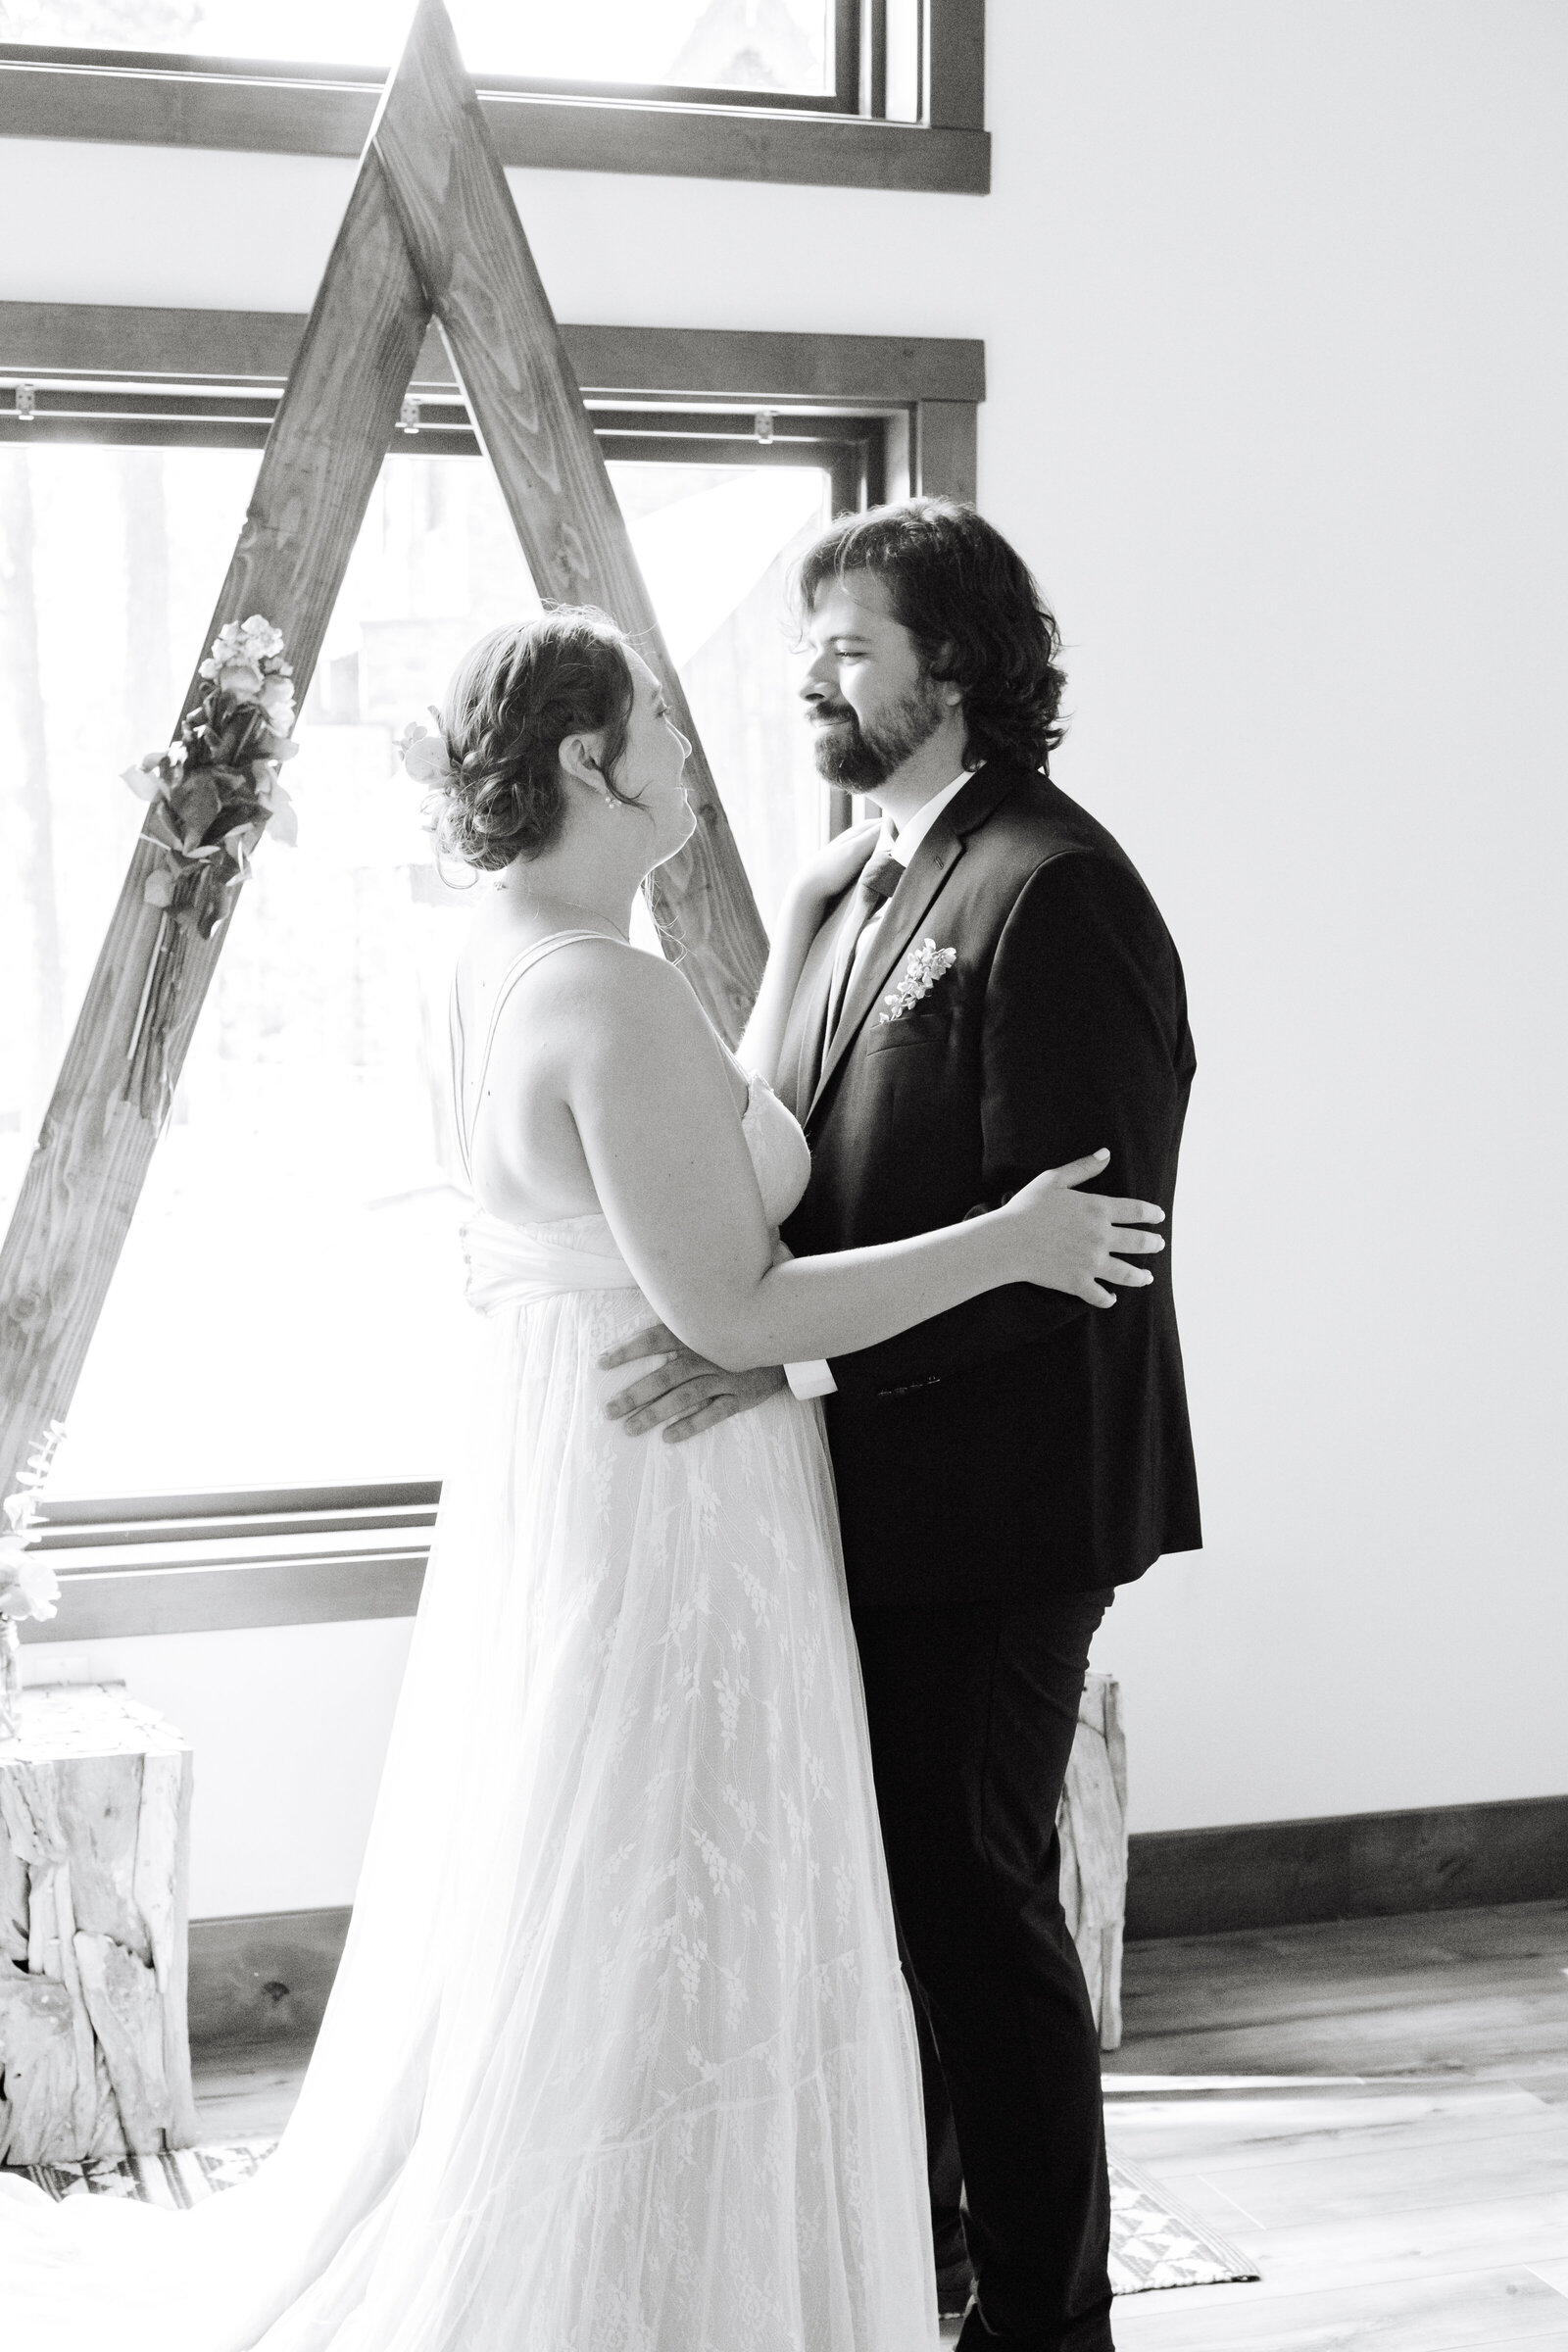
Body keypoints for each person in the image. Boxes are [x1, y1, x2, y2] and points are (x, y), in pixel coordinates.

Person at [0, 607, 1168, 2352]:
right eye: (663, 730)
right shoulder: (605, 990)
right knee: (686, 1876)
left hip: (577, 1466)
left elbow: (715, 1139)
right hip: (678, 1505)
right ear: (584, 763)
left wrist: (802, 932)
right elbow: (734, 1298)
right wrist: (1009, 1243)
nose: (694, 753)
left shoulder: (506, 952)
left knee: (601, 1868)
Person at [604, 501, 1201, 2352]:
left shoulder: (1056, 887)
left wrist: (789, 1360)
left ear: (955, 665)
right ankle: (916, 2273)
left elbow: (1072, 1259)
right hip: (873, 1499)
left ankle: (1044, 2324)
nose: (811, 680)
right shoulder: (864, 878)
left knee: (977, 1920)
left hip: (1013, 1509)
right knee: (903, 1923)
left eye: (848, 648)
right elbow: (787, 1173)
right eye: (811, 650)